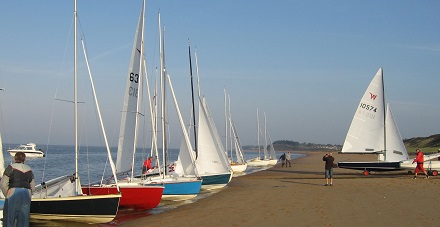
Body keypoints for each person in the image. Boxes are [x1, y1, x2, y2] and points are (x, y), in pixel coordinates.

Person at [1, 152, 35, 227]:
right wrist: (30, 193)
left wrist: (7, 195)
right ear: (24, 160)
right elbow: (32, 185)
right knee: (24, 219)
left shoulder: (10, 167)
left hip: (13, 193)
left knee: (9, 219)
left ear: (15, 159)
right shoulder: (29, 169)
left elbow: (3, 184)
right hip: (26, 193)